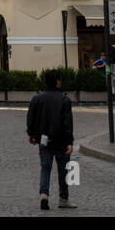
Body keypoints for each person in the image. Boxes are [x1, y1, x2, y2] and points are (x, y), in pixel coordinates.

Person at [26, 69, 76, 210]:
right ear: (57, 82)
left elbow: (31, 118)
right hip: (60, 140)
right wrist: (69, 142)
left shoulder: (37, 98)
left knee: (45, 168)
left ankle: (44, 194)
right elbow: (67, 123)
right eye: (59, 79)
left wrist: (31, 133)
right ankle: (63, 199)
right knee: (63, 170)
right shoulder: (64, 99)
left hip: (43, 139)